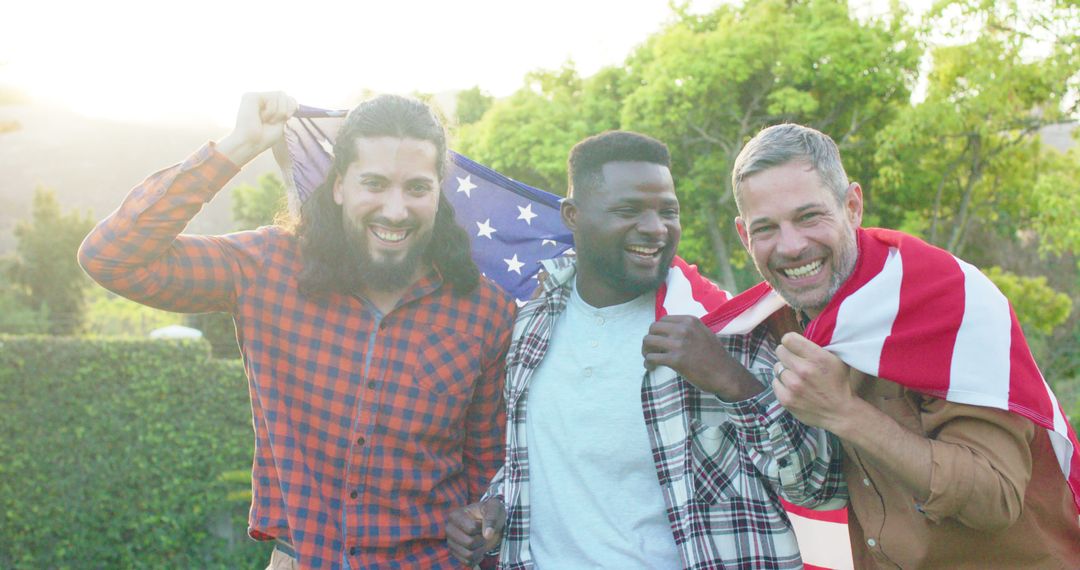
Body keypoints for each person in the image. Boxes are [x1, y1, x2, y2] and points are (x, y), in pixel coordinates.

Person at [78, 92, 515, 569]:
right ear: (339, 186)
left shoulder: (485, 313)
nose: (395, 209)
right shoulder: (266, 269)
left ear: (438, 191)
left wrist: (485, 520)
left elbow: (489, 477)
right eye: (374, 183)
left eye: (416, 188)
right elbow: (112, 257)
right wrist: (237, 147)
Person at [445, 131, 845, 569]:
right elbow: (541, 460)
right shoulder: (533, 323)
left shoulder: (723, 328)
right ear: (572, 216)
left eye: (667, 211)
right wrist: (494, 507)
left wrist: (731, 381)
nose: (655, 228)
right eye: (628, 210)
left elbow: (817, 486)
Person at [725, 122, 1080, 568]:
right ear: (744, 237)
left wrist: (844, 412)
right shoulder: (773, 323)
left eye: (809, 216)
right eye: (766, 229)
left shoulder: (944, 297)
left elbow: (995, 499)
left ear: (852, 206)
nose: (792, 246)